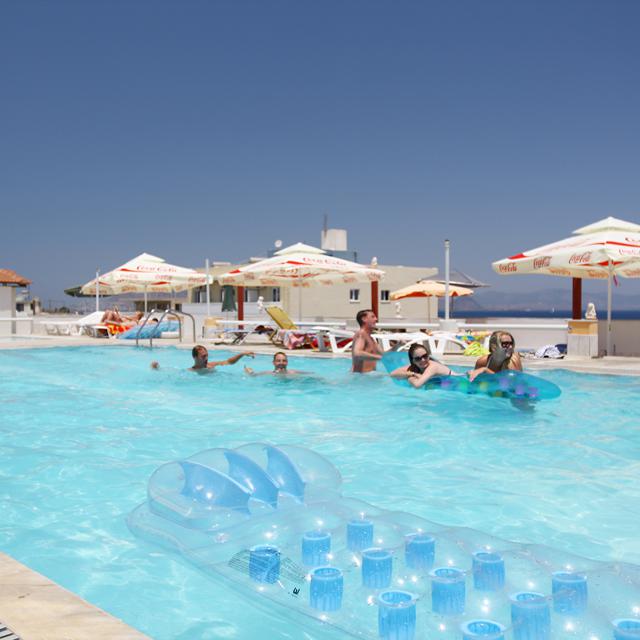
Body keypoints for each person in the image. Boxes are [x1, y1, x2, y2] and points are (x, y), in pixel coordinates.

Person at [151, 345, 254, 372]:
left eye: (207, 355)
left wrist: (242, 354)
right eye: (203, 356)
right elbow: (172, 371)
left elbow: (229, 362)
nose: (206, 358)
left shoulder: (211, 365)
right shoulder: (191, 371)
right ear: (195, 357)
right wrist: (157, 368)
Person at [351, 309, 383, 373]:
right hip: (360, 376)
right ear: (364, 319)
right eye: (372, 317)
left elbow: (385, 355)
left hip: (369, 375)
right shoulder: (361, 334)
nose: (376, 319)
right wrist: (379, 357)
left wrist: (398, 345)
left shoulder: (371, 339)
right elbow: (357, 353)